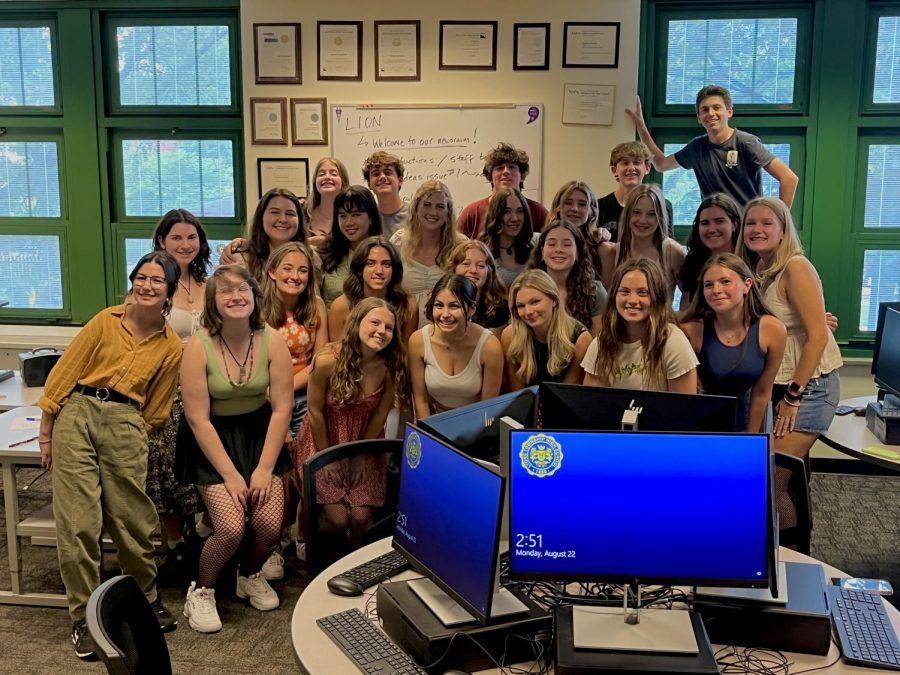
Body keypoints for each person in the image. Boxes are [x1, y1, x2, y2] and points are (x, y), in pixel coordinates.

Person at [37, 251, 182, 658]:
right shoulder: (106, 320)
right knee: (79, 521)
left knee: (133, 519)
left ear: (169, 291)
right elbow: (64, 375)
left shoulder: (171, 345)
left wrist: (131, 428)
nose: (146, 286)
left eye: (157, 281)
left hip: (125, 420)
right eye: (141, 277)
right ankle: (83, 616)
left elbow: (157, 408)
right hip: (78, 411)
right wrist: (47, 433)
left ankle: (146, 598)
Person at [177, 265, 293, 633]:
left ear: (255, 296)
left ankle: (250, 573)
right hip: (213, 440)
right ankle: (203, 590)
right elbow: (198, 419)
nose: (236, 297)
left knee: (269, 526)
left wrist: (262, 469)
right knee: (229, 529)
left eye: (243, 289)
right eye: (226, 291)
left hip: (260, 436)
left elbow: (282, 408)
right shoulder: (199, 346)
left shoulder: (272, 339)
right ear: (214, 301)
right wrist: (229, 475)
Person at [294, 297, 408, 546]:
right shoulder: (327, 361)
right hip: (324, 437)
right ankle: (308, 534)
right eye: (375, 322)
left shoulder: (390, 365)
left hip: (364, 439)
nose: (381, 331)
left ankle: (354, 562)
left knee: (360, 517)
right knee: (337, 520)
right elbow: (314, 411)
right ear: (357, 322)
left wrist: (361, 455)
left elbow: (380, 414)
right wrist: (328, 459)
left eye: (388, 327)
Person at [737, 197, 842, 463]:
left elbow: (818, 336)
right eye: (750, 223)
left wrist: (793, 397)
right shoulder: (760, 267)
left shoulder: (796, 267)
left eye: (766, 223)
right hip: (772, 384)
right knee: (773, 472)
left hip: (808, 387)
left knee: (776, 473)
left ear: (783, 231)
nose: (756, 229)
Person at [147, 209, 210, 581]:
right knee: (166, 466)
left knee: (205, 464)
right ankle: (174, 543)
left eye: (191, 238)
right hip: (166, 389)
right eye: (176, 238)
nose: (185, 245)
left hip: (206, 387)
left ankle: (201, 530)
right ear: (161, 242)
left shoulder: (210, 282)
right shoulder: (152, 285)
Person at [626, 85, 799, 207]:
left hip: (745, 231)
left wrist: (778, 222)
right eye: (705, 109)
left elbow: (789, 178)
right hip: (714, 229)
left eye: (717, 108)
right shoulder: (697, 147)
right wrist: (641, 126)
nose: (711, 113)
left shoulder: (746, 143)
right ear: (699, 118)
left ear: (729, 112)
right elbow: (661, 164)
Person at [681, 253, 787, 432]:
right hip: (697, 424)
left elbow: (762, 393)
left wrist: (751, 441)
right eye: (708, 285)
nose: (716, 290)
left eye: (725, 282)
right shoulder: (692, 330)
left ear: (747, 285)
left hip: (741, 420)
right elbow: (685, 398)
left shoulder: (772, 330)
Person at [582, 258, 698, 392]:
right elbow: (592, 405)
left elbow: (684, 409)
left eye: (643, 292)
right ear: (614, 296)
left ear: (658, 297)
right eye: (625, 291)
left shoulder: (674, 342)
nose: (632, 300)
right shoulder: (601, 344)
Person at [408, 274, 504, 418]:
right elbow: (420, 400)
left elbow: (487, 408)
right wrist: (427, 434)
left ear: (471, 309)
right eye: (439, 305)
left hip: (475, 419)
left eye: (454, 306)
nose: (445, 314)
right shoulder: (418, 341)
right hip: (434, 419)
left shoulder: (490, 346)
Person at [263, 241, 327, 436]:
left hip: (304, 395)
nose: (295, 277)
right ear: (272, 272)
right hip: (265, 397)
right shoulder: (257, 308)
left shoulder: (317, 305)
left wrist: (286, 390)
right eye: (288, 269)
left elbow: (320, 361)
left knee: (305, 457)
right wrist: (274, 395)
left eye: (302, 270)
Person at [391, 180, 466, 326]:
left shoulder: (461, 245)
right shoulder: (399, 242)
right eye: (426, 205)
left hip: (448, 331)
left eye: (440, 206)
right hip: (403, 330)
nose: (433, 212)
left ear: (448, 211)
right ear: (416, 208)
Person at [501, 269, 592, 390]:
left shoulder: (581, 339)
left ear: (554, 300)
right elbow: (517, 394)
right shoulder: (510, 335)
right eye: (521, 306)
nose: (528, 312)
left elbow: (567, 394)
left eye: (535, 302)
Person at [599, 184, 685, 295]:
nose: (643, 220)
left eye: (651, 214)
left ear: (660, 217)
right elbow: (609, 300)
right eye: (636, 212)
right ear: (627, 214)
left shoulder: (674, 252)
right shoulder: (612, 253)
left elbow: (689, 297)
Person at [329, 236, 418, 343]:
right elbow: (337, 354)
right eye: (370, 263)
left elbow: (406, 354)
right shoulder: (340, 306)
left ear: (394, 270)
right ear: (359, 269)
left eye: (386, 264)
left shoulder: (408, 305)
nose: (379, 271)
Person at [456, 142, 549, 239]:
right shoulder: (472, 213)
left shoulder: (538, 212)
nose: (506, 172)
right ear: (490, 176)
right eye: (499, 168)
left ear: (522, 175)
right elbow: (454, 247)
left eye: (512, 167)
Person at [530, 219, 607, 335]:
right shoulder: (526, 289)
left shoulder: (595, 292)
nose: (558, 249)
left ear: (577, 253)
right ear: (542, 252)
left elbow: (599, 344)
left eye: (567, 244)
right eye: (551, 244)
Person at [221, 188, 306, 283]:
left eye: (290, 214)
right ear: (261, 217)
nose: (283, 219)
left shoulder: (311, 257)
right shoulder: (239, 260)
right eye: (275, 212)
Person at [595, 142, 675, 240]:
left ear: (647, 168)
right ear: (614, 170)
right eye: (625, 163)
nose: (631, 168)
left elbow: (667, 246)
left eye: (637, 162)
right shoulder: (598, 206)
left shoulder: (663, 205)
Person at [319, 186, 383, 307]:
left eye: (356, 214)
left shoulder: (384, 254)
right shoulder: (326, 254)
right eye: (343, 216)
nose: (349, 222)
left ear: (371, 217)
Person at [680, 193, 743, 306]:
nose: (712, 229)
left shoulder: (752, 262)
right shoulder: (692, 264)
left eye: (719, 221)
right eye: (705, 223)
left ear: (735, 224)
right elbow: (685, 310)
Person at [446, 239, 510, 334]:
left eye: (480, 266)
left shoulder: (500, 308)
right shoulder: (438, 301)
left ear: (489, 272)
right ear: (454, 268)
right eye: (466, 264)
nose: (473, 270)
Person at [547, 179, 605, 274]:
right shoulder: (543, 242)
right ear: (558, 207)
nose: (575, 208)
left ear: (591, 211)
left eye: (582, 204)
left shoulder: (600, 247)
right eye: (568, 203)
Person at [480, 187, 535, 287]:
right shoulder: (482, 252)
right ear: (495, 214)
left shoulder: (533, 251)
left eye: (519, 211)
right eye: (506, 211)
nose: (514, 218)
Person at [307, 157, 350, 247]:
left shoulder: (352, 213)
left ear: (343, 181)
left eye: (333, 174)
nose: (327, 177)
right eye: (321, 174)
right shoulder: (303, 212)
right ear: (315, 182)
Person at [362, 151, 408, 237]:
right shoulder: (367, 218)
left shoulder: (415, 215)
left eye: (388, 172)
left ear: (400, 180)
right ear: (369, 184)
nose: (382, 177)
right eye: (376, 174)